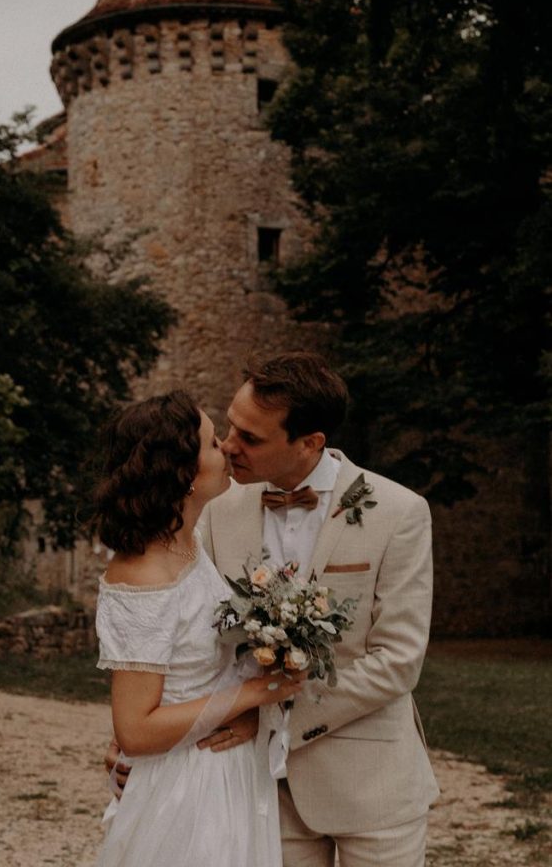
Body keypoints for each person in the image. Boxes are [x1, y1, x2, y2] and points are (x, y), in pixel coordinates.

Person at [196, 351, 440, 867]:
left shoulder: (399, 513)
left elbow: (398, 660)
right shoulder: (218, 512)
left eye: (251, 438)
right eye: (230, 426)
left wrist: (267, 714)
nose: (228, 446)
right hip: (260, 786)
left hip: (372, 785)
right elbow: (198, 637)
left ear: (310, 443)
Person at [92, 390, 303, 867]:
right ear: (184, 474)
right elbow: (136, 729)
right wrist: (255, 693)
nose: (227, 448)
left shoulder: (188, 545)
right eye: (212, 444)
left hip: (224, 771)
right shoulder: (144, 577)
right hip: (187, 789)